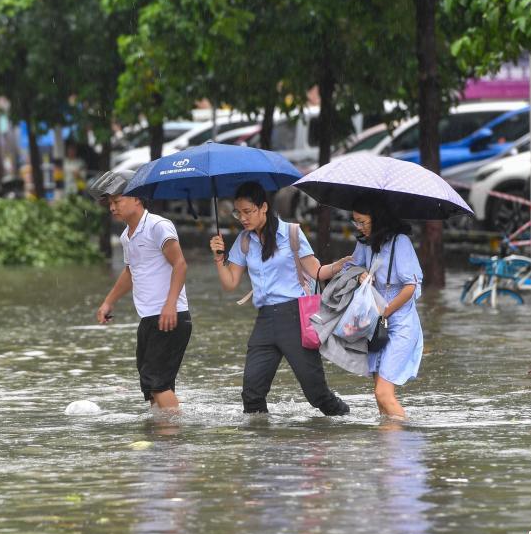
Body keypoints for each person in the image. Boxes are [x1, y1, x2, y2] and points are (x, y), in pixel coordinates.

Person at [209, 182, 350, 416]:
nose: (242, 218)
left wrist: (339, 266)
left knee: (317, 395)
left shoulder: (291, 233)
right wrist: (218, 258)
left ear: (263, 207)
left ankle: (346, 421)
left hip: (295, 317)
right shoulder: (244, 241)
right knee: (252, 394)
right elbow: (230, 284)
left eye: (247, 211)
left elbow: (316, 271)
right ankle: (263, 446)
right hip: (264, 320)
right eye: (238, 212)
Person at [95, 172, 191, 410]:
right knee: (149, 383)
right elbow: (131, 272)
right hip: (148, 317)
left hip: (171, 315)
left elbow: (180, 264)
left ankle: (173, 439)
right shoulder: (127, 236)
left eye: (117, 201)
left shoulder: (158, 226)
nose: (113, 208)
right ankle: (163, 438)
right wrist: (109, 302)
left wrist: (170, 305)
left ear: (137, 198)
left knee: (158, 382)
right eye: (110, 204)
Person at [348, 197, 423, 420]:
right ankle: (386, 450)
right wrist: (358, 275)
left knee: (383, 393)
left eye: (362, 222)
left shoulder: (400, 242)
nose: (359, 227)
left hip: (400, 322)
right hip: (375, 323)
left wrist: (386, 311)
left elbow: (411, 286)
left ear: (377, 218)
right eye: (355, 222)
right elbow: (351, 267)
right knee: (379, 398)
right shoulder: (364, 243)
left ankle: (406, 445)